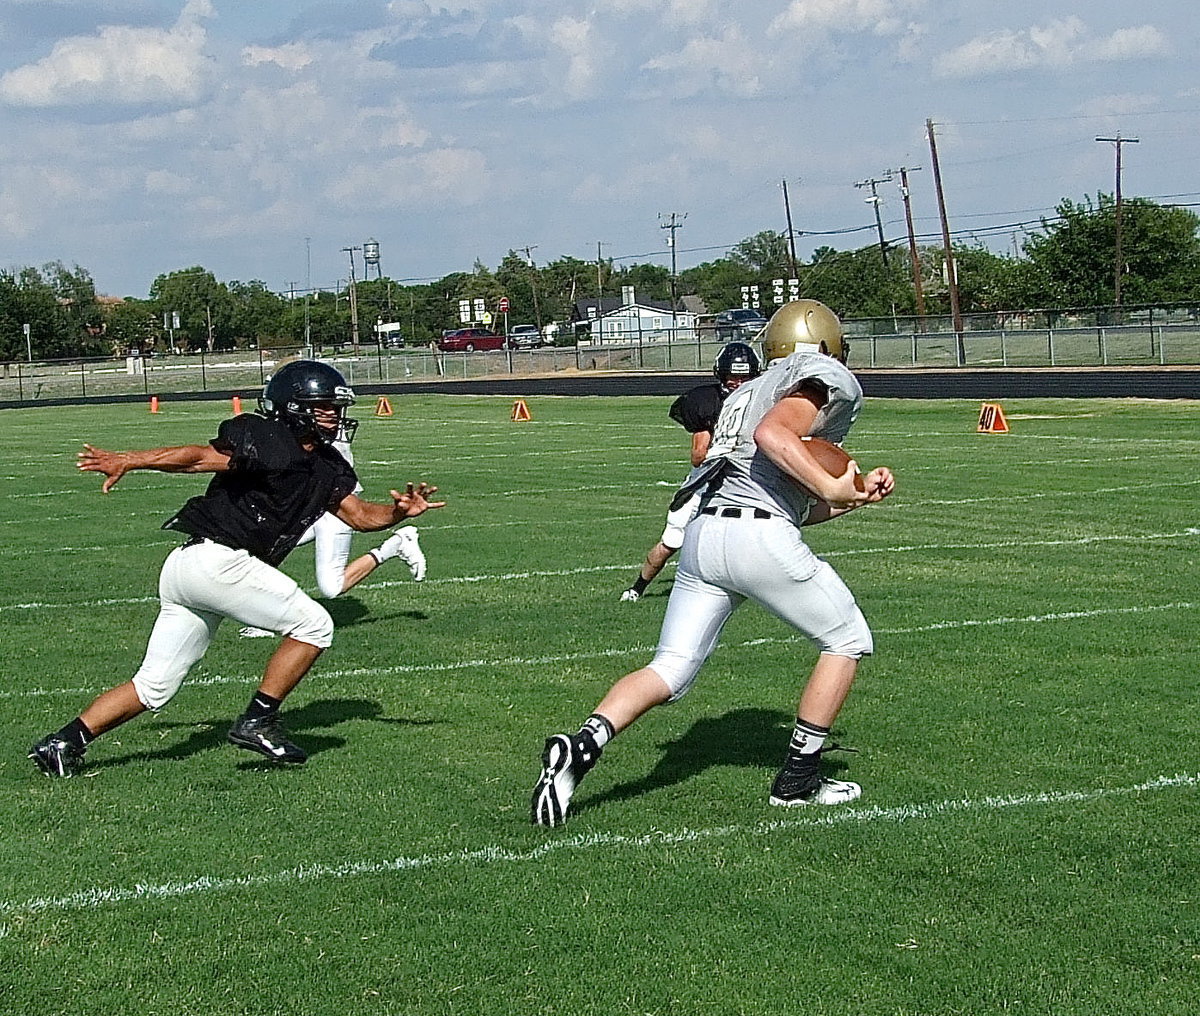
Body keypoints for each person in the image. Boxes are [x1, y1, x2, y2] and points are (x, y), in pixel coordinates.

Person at [532, 300, 895, 826]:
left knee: (670, 668)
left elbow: (795, 502)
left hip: (706, 535)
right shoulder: (816, 378)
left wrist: (851, 497)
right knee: (846, 640)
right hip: (756, 535)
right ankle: (797, 781)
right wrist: (832, 482)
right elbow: (775, 439)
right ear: (827, 347)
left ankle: (582, 746)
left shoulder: (745, 393)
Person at [29, 360, 444, 778]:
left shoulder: (327, 464)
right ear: (294, 407)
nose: (334, 415)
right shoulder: (266, 437)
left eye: (335, 407)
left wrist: (397, 513)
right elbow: (197, 459)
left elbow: (357, 515)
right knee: (315, 626)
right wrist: (132, 460)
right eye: (322, 407)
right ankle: (257, 720)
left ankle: (61, 744)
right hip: (217, 562)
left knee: (154, 687)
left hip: (190, 569)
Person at [237, 424, 426, 639]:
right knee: (263, 546)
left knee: (331, 587)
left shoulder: (320, 430)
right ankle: (267, 616)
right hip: (310, 501)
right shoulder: (303, 427)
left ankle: (396, 545)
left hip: (337, 505)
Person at [620, 342, 761, 602]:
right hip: (705, 483)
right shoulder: (707, 402)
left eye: (745, 378)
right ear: (721, 375)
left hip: (742, 483)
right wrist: (727, 449)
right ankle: (637, 588)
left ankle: (753, 587)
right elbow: (698, 457)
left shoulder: (761, 403)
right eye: (733, 377)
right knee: (671, 542)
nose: (739, 383)